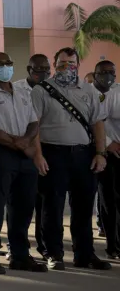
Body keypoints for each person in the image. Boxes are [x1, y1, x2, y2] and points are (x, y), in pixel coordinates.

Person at [32, 47, 110, 270]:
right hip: (52, 154)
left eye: (72, 63)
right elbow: (33, 126)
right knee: (52, 206)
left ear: (78, 64)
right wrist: (38, 155)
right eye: (63, 63)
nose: (67, 67)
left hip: (83, 155)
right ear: (55, 64)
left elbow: (98, 123)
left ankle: (85, 254)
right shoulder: (41, 91)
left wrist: (100, 153)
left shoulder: (88, 90)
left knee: (84, 207)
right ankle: (53, 253)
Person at [0, 52, 48, 274]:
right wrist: (19, 143)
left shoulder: (23, 92)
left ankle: (19, 255)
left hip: (24, 156)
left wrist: (25, 143)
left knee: (23, 207)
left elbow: (34, 122)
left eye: (8, 63)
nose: (5, 67)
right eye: (0, 64)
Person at [17, 53, 53, 254]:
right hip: (21, 150)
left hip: (46, 150)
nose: (42, 73)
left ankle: (44, 245)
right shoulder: (16, 89)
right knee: (22, 202)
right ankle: (18, 244)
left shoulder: (53, 89)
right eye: (38, 70)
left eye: (46, 69)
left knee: (43, 200)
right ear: (29, 69)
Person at [93, 60, 119, 259]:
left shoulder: (118, 92)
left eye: (111, 72)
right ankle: (114, 245)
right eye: (103, 72)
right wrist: (109, 144)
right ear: (95, 74)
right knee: (109, 200)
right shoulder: (89, 94)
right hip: (103, 153)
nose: (107, 76)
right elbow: (93, 122)